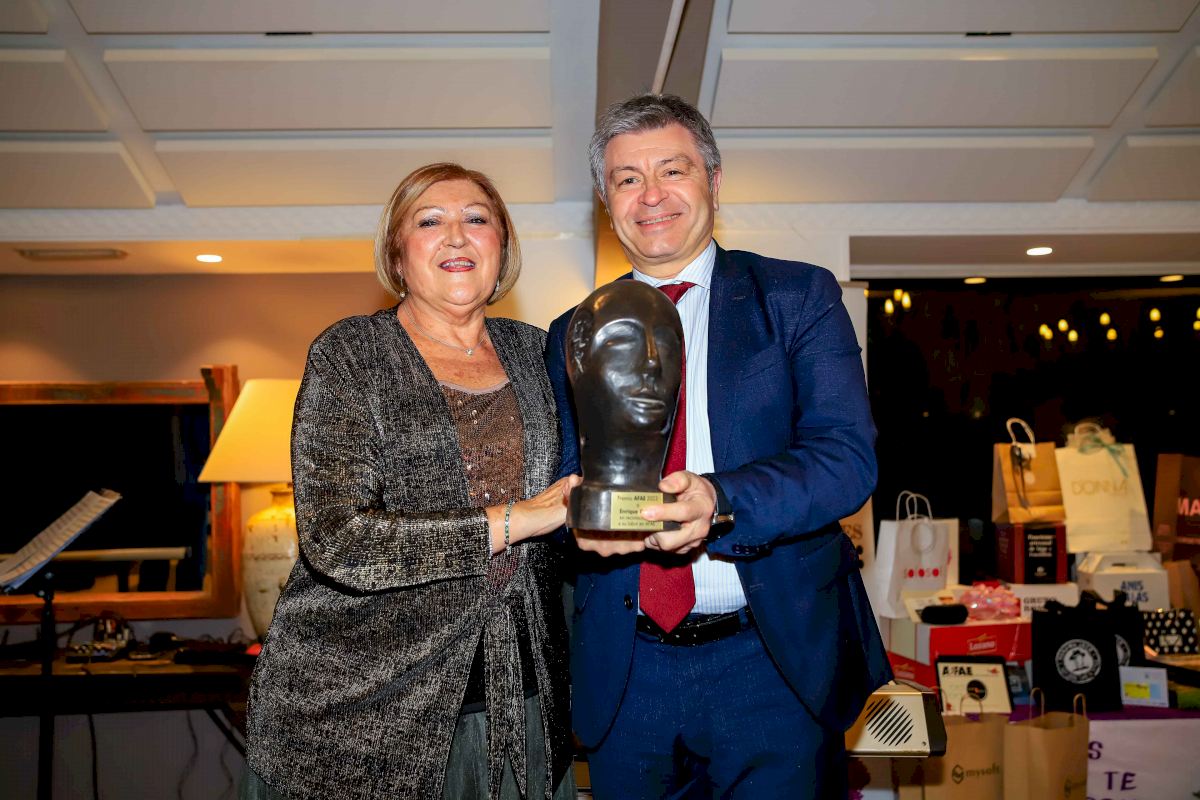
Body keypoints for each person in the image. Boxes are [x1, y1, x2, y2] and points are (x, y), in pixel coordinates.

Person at [545, 95, 891, 798]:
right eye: (627, 179)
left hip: (770, 660)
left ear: (714, 179)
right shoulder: (572, 329)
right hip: (628, 669)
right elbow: (567, 478)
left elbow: (846, 458)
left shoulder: (796, 296)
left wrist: (719, 499)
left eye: (672, 170)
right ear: (607, 202)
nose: (651, 195)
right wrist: (579, 524)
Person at [243, 162, 579, 800]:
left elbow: (580, 491)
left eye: (477, 219)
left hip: (523, 696)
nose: (456, 235)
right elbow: (339, 540)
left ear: (501, 246)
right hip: (367, 709)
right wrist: (513, 520)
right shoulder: (352, 355)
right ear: (397, 256)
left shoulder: (540, 352)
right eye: (429, 221)